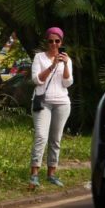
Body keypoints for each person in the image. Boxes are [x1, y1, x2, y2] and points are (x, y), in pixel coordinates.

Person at [29, 26, 73, 188]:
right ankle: (34, 174)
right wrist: (53, 65)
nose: (54, 44)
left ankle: (51, 173)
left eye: (57, 41)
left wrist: (66, 64)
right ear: (46, 42)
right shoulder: (39, 57)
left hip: (62, 102)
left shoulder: (67, 59)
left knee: (56, 139)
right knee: (41, 136)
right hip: (43, 102)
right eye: (51, 41)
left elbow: (67, 82)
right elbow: (37, 80)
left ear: (61, 42)